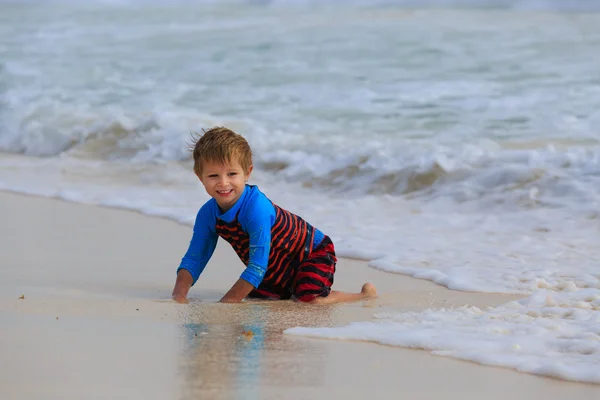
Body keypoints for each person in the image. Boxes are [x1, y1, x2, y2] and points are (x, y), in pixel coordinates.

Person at [171, 127, 377, 304]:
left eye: (232, 174)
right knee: (261, 299)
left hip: (311, 252)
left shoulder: (256, 209)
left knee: (309, 299)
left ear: (247, 172)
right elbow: (195, 257)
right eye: (213, 175)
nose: (223, 183)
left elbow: (257, 265)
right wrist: (179, 296)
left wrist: (226, 303)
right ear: (200, 177)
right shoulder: (208, 214)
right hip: (275, 267)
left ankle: (361, 296)